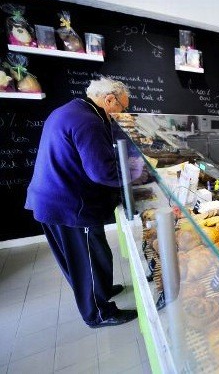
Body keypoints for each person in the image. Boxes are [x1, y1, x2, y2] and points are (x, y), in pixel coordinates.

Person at [25, 77, 138, 328]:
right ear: (109, 100)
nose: (122, 113)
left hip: (52, 200)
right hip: (70, 206)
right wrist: (140, 174)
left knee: (85, 257)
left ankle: (102, 290)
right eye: (122, 107)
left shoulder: (72, 110)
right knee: (87, 260)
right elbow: (102, 172)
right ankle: (98, 313)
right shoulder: (88, 121)